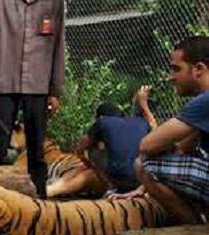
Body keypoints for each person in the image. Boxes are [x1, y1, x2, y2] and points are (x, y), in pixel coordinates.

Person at [112, 36, 209, 224]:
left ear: (199, 69)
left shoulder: (204, 101)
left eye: (176, 69)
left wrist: (144, 107)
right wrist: (143, 189)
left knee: (144, 164)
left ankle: (194, 228)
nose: (170, 77)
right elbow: (183, 147)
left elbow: (147, 145)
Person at [0, 0, 65, 199]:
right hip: (4, 84)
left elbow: (58, 43)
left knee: (37, 151)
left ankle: (40, 203)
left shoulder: (54, 3)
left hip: (39, 85)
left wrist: (55, 90)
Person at [48, 86, 157, 199]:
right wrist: (144, 105)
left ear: (100, 116)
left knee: (91, 153)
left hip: (117, 179)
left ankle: (109, 186)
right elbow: (155, 129)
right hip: (142, 179)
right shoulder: (142, 122)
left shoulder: (102, 121)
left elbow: (80, 148)